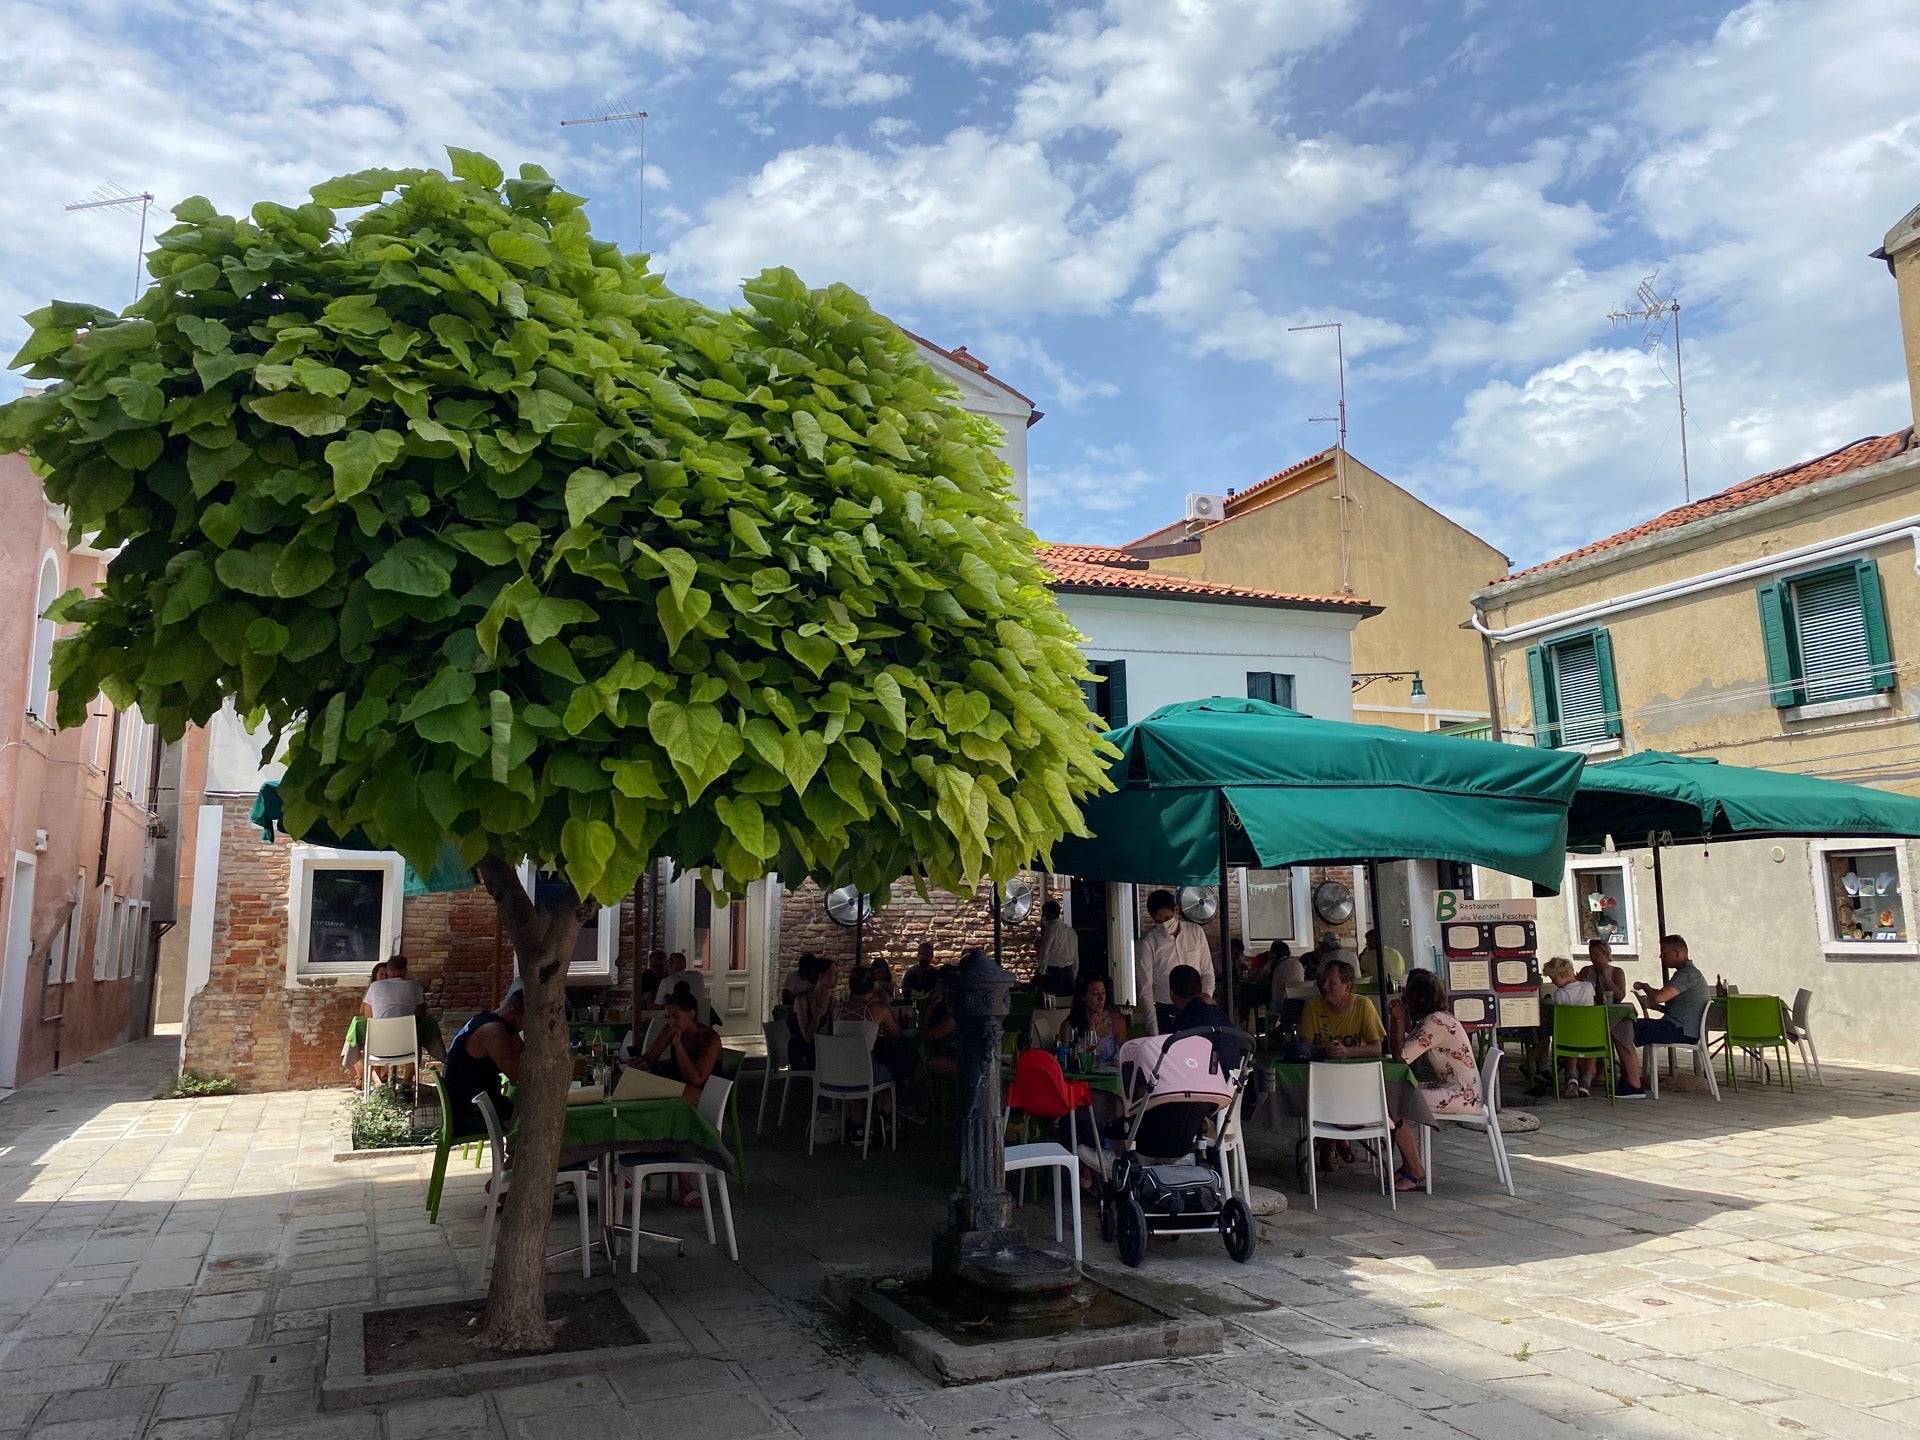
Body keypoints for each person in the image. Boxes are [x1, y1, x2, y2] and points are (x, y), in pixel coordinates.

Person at [1387, 969, 1480, 1193]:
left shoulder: (1435, 1022)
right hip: (1459, 1089)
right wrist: (1399, 1021)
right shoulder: (1438, 1017)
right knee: (1396, 1095)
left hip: (1461, 1094)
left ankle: (1417, 1172)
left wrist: (1398, 1019)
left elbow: (1401, 1057)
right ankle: (1409, 1165)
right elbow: (1403, 1047)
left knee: (1395, 1104)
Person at [637, 990, 723, 1206]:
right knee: (651, 1100)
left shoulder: (709, 1038)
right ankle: (639, 1163)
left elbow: (696, 1078)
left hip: (707, 1092)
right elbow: (649, 1057)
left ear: (691, 1014)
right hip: (679, 1090)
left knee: (674, 1109)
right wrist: (640, 1064)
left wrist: (678, 1046)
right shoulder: (670, 1030)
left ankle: (684, 1182)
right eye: (667, 1016)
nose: (671, 1021)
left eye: (676, 1016)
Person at [1611, 934, 1710, 1098]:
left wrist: (1646, 988)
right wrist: (1656, 1008)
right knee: (1626, 1024)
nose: (1660, 957)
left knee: (1622, 1027)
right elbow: (1680, 1008)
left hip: (1680, 1030)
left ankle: (1633, 1085)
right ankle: (1629, 1080)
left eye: (1664, 953)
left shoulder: (1687, 975)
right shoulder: (1688, 974)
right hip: (1680, 1027)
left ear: (1677, 953)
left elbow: (1660, 997)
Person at [443, 984, 526, 1137]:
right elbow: (518, 1076)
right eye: (526, 1023)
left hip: (478, 1104)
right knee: (533, 1117)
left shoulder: (485, 1019)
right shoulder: (493, 1030)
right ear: (512, 1012)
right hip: (469, 1114)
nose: (523, 1029)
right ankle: (514, 1158)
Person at [1137, 889, 1214, 1032]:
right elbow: (1145, 990)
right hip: (1167, 1009)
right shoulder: (1147, 943)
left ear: (1176, 910)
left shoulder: (1196, 932)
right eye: (1158, 921)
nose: (1164, 924)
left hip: (1198, 1005)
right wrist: (1154, 1030)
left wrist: (1207, 996)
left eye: (1167, 918)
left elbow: (1207, 971)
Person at [361, 954, 445, 1064]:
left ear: (388, 970)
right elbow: (419, 1013)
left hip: (379, 1045)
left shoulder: (375, 986)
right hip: (407, 1046)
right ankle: (408, 1079)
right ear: (405, 970)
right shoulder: (414, 986)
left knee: (369, 1040)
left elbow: (367, 1014)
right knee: (416, 1039)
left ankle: (376, 1077)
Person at [1300, 956, 1384, 1059]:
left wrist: (1347, 1052)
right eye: (1324, 981)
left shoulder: (1363, 1005)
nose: (1324, 986)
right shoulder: (1312, 1006)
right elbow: (1304, 1048)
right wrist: (1325, 1050)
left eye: (1332, 983)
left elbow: (1376, 1049)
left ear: (1347, 987)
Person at [1538, 956, 1598, 1096]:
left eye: (1554, 979)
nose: (1554, 983)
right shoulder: (1588, 987)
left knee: (1570, 1047)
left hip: (1568, 1037)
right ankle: (1586, 1082)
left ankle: (1572, 1077)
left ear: (1563, 975)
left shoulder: (1560, 993)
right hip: (1590, 1035)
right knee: (1593, 1052)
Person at [1166, 964, 1242, 1070]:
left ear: (1171, 994)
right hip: (1230, 1082)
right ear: (1200, 989)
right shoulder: (1221, 1017)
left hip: (1200, 1082)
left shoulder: (1181, 1026)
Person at [1036, 900, 1079, 999]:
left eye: (1044, 913)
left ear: (1050, 914)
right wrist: (1074, 977)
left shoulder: (1052, 929)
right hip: (1068, 974)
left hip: (1052, 973)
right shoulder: (1071, 931)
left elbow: (1045, 951)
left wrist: (1042, 971)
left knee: (1051, 1003)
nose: (1043, 916)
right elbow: (1076, 958)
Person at [1580, 938, 1627, 1006]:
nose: (1593, 958)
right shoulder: (1586, 970)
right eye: (1591, 955)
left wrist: (1606, 979)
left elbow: (1620, 996)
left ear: (1606, 955)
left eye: (1596, 955)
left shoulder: (1617, 972)